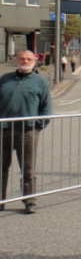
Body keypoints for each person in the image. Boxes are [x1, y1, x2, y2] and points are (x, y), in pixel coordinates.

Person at [0, 50, 52, 213]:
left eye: (29, 59)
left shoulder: (40, 82)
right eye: (22, 58)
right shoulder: (5, 79)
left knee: (28, 169)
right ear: (17, 61)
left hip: (27, 131)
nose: (25, 61)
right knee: (1, 167)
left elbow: (46, 107)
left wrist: (38, 125)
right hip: (4, 130)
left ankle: (29, 201)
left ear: (34, 61)